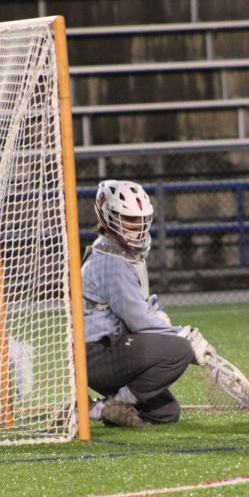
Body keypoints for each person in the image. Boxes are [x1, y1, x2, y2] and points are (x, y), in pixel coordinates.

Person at [81, 179, 215, 428]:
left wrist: (156, 315)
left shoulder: (120, 253)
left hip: (109, 350)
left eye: (142, 219)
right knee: (180, 351)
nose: (138, 226)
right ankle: (108, 407)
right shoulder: (111, 261)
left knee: (166, 412)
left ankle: (102, 409)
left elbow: (136, 309)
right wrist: (184, 335)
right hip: (98, 354)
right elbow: (138, 321)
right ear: (108, 216)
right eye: (129, 219)